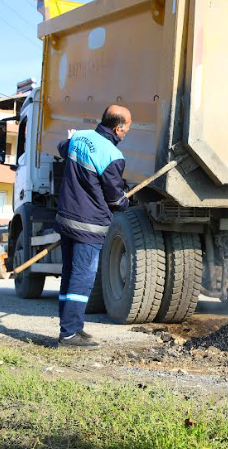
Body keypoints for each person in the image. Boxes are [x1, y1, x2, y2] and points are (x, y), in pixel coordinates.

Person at [54, 105, 131, 349]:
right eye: (127, 127)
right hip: (89, 226)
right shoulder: (113, 156)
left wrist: (70, 139)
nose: (127, 131)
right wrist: (126, 199)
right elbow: (115, 200)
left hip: (67, 218)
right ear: (118, 128)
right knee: (82, 278)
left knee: (69, 275)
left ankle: (72, 327)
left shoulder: (80, 137)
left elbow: (62, 149)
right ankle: (69, 335)